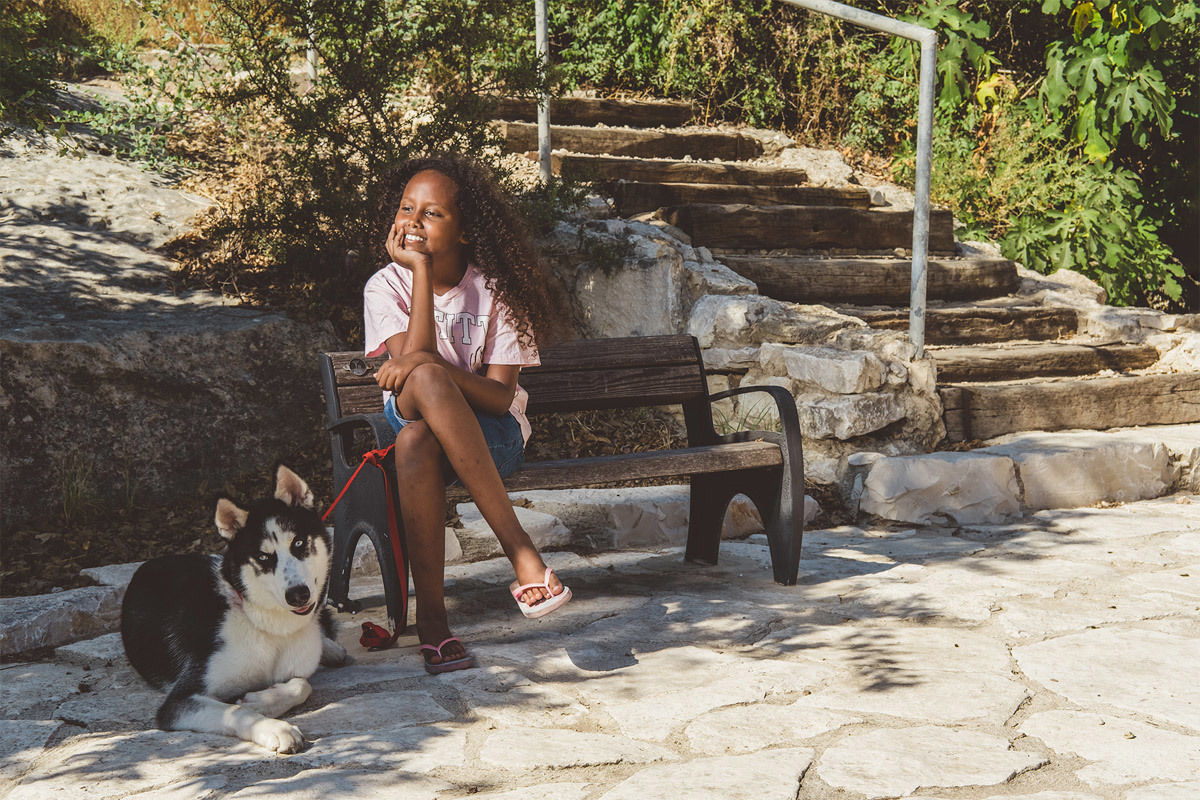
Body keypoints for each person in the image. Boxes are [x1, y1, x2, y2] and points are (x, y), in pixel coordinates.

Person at [363, 154, 570, 674]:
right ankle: (521, 552)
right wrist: (419, 273)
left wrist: (424, 365)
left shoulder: (500, 291)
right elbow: (412, 369)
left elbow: (500, 398)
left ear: (467, 229)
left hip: (493, 434)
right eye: (407, 208)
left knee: (415, 442)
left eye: (431, 214)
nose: (413, 221)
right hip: (411, 407)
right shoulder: (384, 286)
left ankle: (432, 622)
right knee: (424, 383)